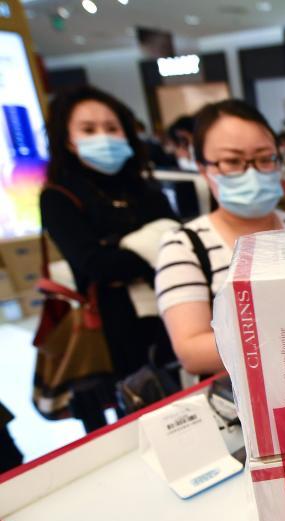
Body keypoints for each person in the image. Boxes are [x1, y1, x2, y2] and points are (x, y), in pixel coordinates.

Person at [41, 85, 178, 430]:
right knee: (134, 414)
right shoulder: (59, 196)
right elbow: (96, 265)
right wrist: (151, 247)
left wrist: (122, 248)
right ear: (68, 139)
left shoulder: (145, 188)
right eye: (88, 129)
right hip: (111, 327)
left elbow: (178, 245)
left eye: (112, 127)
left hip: (168, 311)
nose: (103, 136)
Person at [156, 99, 285, 376]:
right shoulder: (184, 246)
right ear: (203, 168)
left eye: (265, 159)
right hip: (237, 399)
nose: (252, 172)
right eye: (232, 161)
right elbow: (192, 353)